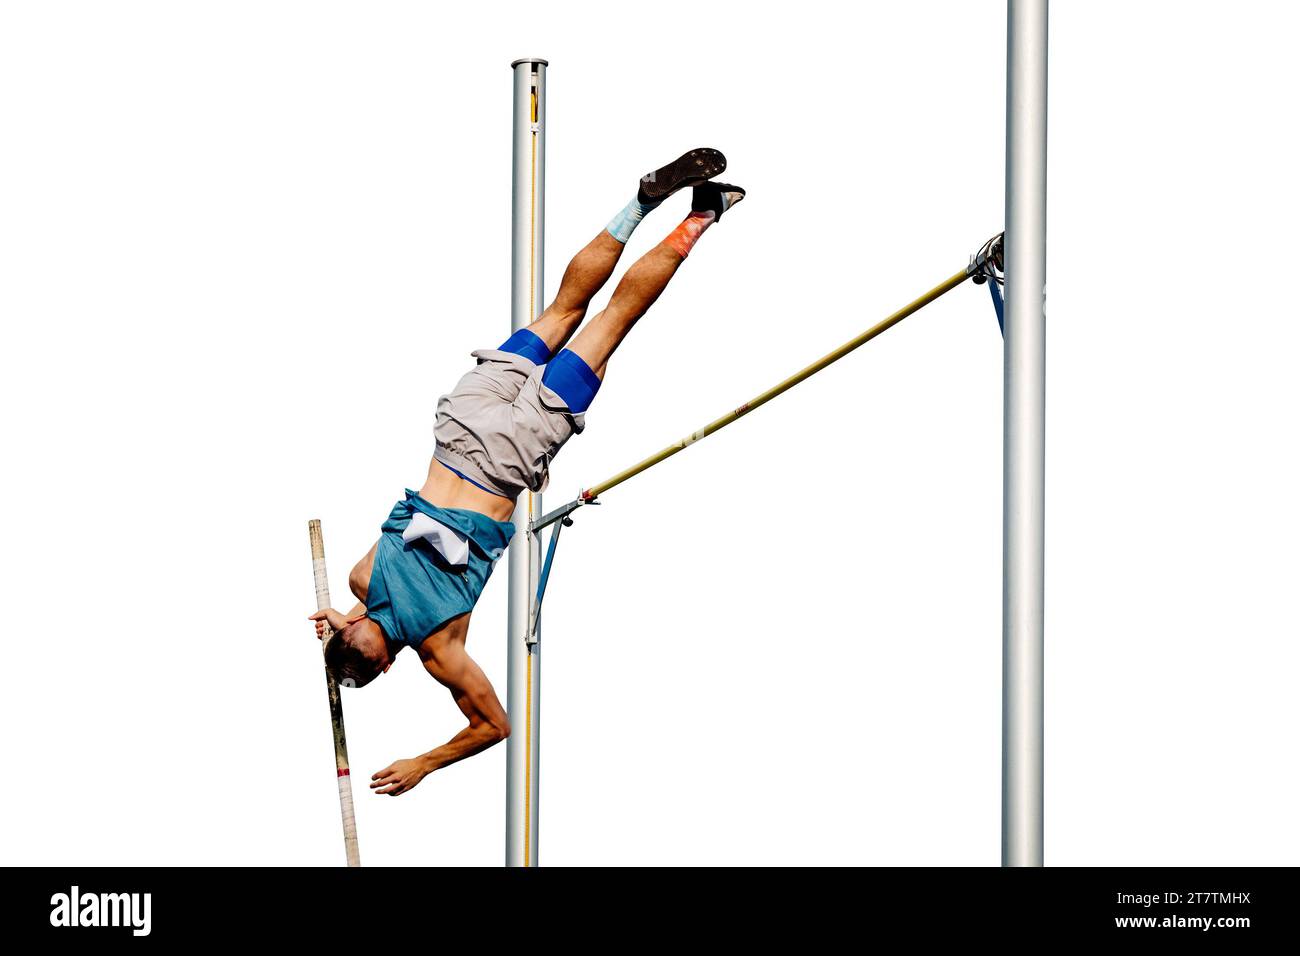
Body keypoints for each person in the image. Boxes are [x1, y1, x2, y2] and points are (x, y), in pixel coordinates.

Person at [309, 148, 746, 796]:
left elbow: (494, 727)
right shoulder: (361, 575)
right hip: (462, 422)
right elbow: (384, 597)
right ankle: (640, 204)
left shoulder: (440, 652)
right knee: (564, 307)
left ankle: (702, 215)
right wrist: (343, 618)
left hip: (512, 454)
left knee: (610, 322)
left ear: (393, 667)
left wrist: (423, 763)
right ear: (354, 626)